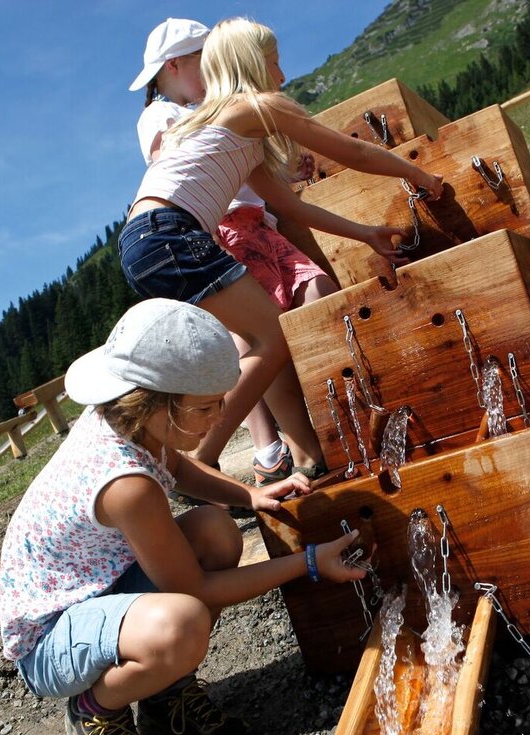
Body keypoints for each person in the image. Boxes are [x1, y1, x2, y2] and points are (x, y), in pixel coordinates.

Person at [0, 298, 367, 735]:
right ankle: (94, 709)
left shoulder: (134, 420)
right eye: (207, 407)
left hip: (101, 585)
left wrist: (248, 494)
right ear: (157, 401)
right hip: (49, 633)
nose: (220, 419)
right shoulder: (125, 483)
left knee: (217, 530)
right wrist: (308, 563)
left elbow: (182, 467)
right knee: (182, 624)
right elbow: (195, 590)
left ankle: (164, 693)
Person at [118, 17, 444, 494]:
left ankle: (204, 458)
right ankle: (195, 460)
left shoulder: (230, 133)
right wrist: (421, 177)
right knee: (270, 336)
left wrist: (364, 233)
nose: (283, 76)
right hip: (171, 232)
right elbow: (354, 153)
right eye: (274, 63)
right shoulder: (256, 106)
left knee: (262, 338)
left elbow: (290, 205)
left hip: (143, 239)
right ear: (252, 65)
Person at [130, 18, 340, 486]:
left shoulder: (209, 110)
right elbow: (195, 165)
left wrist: (283, 170)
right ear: (176, 65)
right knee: (264, 338)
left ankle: (306, 445)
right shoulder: (162, 116)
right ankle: (262, 451)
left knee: (281, 324)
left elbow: (244, 171)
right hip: (220, 230)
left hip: (249, 224)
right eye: (208, 61)